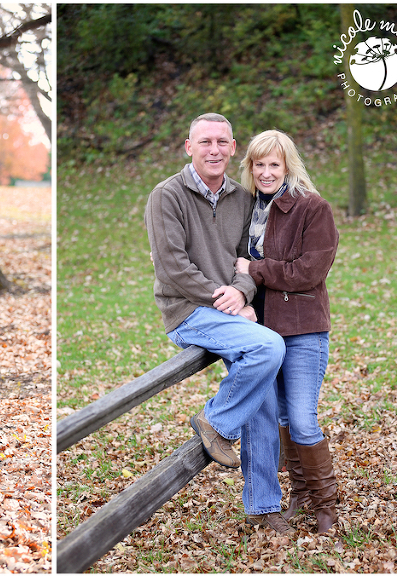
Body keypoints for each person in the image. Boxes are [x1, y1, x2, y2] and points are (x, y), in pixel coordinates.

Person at [144, 113, 292, 534]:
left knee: (262, 395)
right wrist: (223, 298)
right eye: (205, 141)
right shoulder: (166, 196)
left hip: (229, 309)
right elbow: (172, 267)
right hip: (188, 312)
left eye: (222, 142)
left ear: (232, 148)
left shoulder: (243, 199)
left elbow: (249, 260)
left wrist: (243, 292)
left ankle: (263, 506)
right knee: (268, 348)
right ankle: (217, 421)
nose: (214, 149)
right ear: (188, 147)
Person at [236, 130, 339, 534]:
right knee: (281, 418)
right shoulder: (247, 210)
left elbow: (308, 273)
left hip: (302, 330)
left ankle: (326, 505)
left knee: (301, 419)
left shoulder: (312, 208)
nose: (265, 172)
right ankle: (299, 493)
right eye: (258, 164)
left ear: (288, 165)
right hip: (262, 332)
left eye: (273, 164)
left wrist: (255, 269)